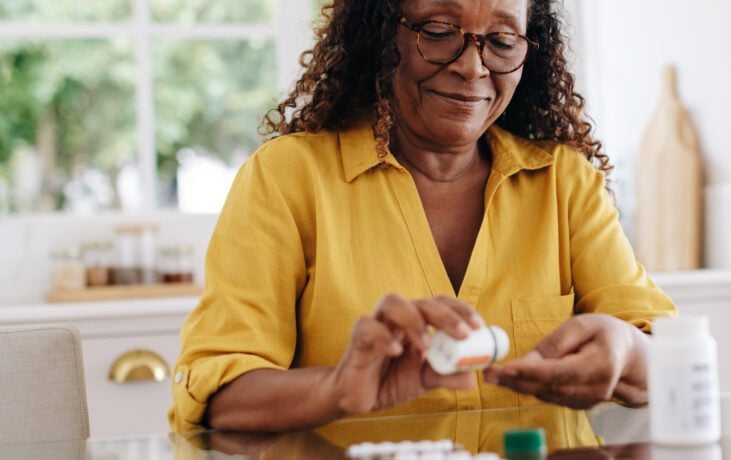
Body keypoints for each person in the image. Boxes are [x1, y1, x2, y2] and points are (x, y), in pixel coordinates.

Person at [168, 0, 676, 433]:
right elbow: (219, 393)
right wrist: (339, 388)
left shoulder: (564, 182)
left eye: (502, 41)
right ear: (381, 32)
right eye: (438, 32)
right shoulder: (289, 177)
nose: (473, 68)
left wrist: (627, 351)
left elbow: (670, 358)